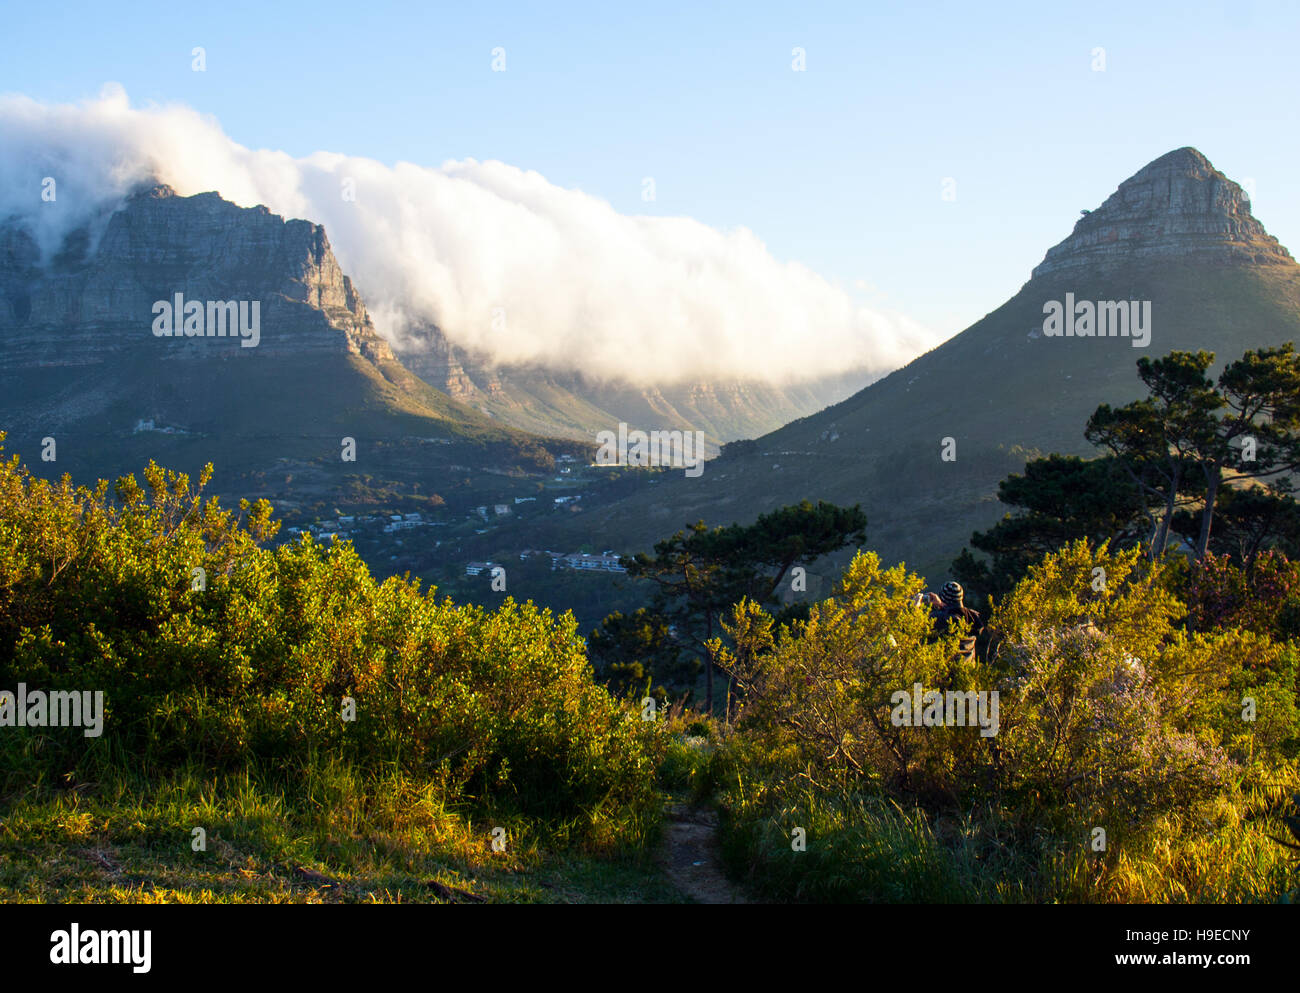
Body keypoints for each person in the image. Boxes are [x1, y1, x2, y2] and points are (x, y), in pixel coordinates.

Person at [925, 581, 985, 664]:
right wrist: (942, 605)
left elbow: (918, 627)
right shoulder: (973, 616)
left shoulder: (943, 619)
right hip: (969, 669)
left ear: (942, 598)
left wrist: (914, 606)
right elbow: (957, 612)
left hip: (948, 672)